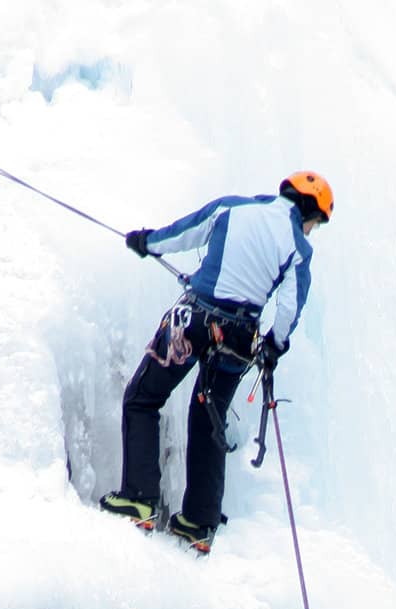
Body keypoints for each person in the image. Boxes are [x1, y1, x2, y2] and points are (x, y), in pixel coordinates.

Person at [100, 171, 334, 554]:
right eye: (315, 223)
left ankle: (139, 499)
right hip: (239, 339)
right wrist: (275, 345)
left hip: (192, 321)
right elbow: (289, 307)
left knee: (144, 398)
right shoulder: (298, 249)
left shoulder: (232, 208)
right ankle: (199, 522)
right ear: (309, 211)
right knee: (209, 417)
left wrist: (147, 242)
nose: (311, 231)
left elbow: (181, 234)